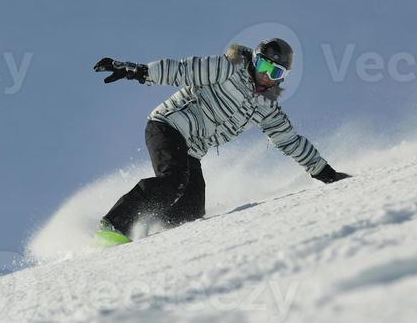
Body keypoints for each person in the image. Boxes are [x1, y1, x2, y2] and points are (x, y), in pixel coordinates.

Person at [93, 38, 349, 244]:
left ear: (282, 77)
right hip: (167, 125)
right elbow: (182, 70)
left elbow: (290, 141)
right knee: (173, 180)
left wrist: (326, 174)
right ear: (255, 61)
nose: (265, 75)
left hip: (192, 150)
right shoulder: (229, 67)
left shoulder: (266, 108)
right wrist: (137, 71)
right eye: (263, 65)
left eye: (275, 71)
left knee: (191, 210)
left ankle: (153, 232)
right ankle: (115, 223)